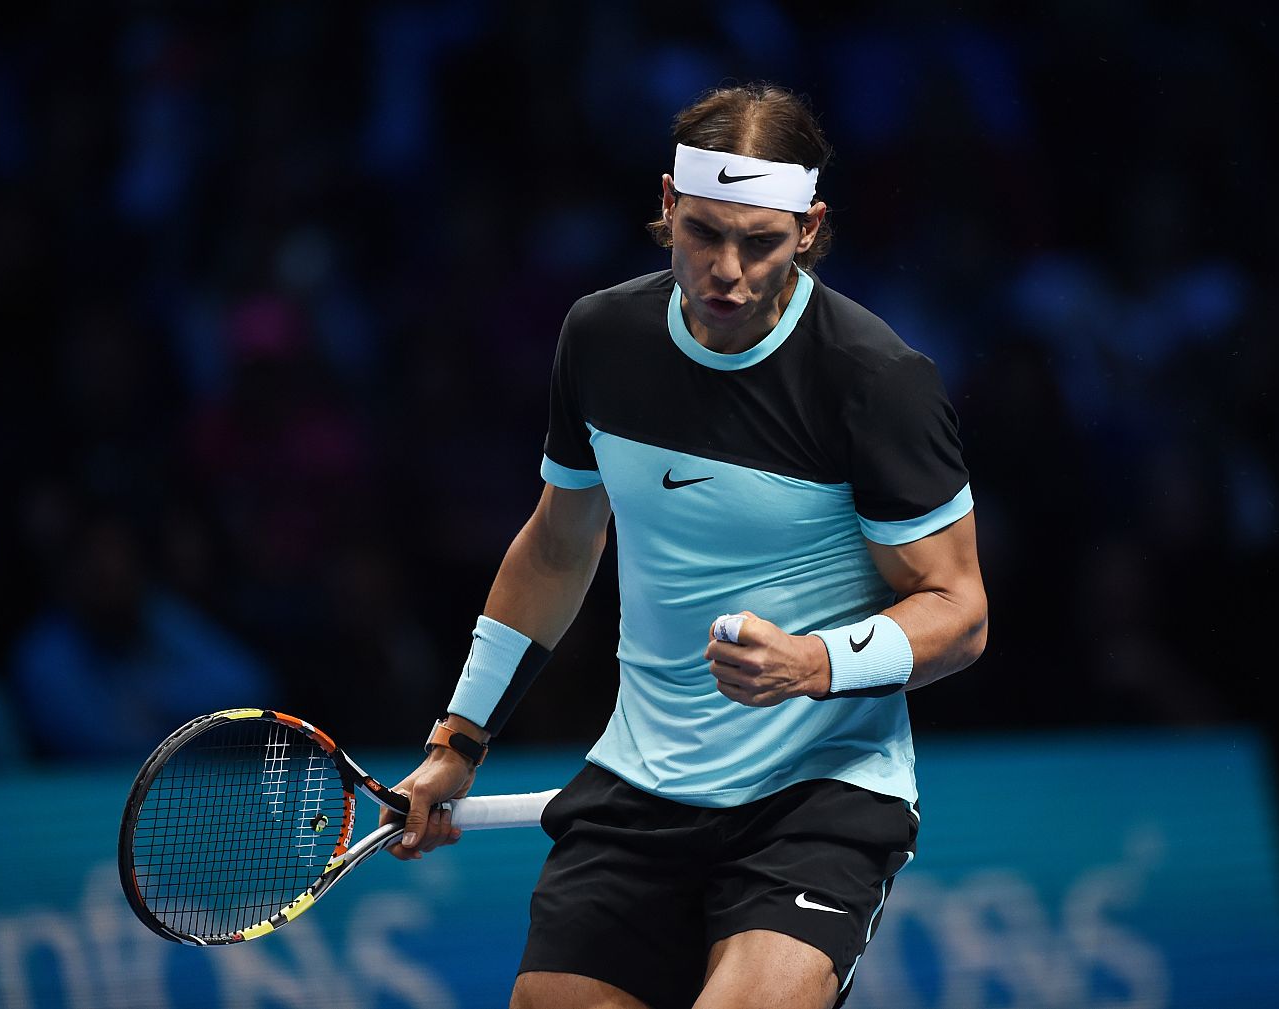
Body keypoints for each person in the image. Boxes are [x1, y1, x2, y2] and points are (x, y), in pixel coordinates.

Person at [382, 84, 988, 1009]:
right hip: (640, 782)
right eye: (705, 232)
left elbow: (960, 609)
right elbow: (557, 546)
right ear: (666, 206)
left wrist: (813, 662)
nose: (729, 271)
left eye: (762, 240)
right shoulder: (601, 337)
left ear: (811, 227)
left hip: (818, 793)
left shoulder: (875, 378)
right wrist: (457, 740)